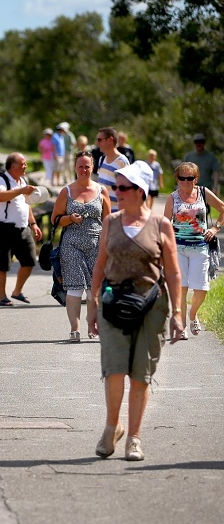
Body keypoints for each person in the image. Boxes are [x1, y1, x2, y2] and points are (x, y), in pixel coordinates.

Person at [88, 162, 183, 462]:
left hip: (151, 306)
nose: (117, 192)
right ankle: (111, 428)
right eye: (116, 187)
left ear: (140, 192)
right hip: (114, 303)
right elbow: (100, 266)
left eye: (123, 188)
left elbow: (174, 273)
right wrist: (92, 304)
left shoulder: (160, 225)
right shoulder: (111, 222)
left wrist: (178, 313)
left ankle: (134, 439)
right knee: (114, 369)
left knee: (140, 375)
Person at [51, 151, 111, 342]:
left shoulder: (102, 191)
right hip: (72, 244)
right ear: (75, 168)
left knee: (95, 290)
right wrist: (70, 218)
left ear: (93, 168)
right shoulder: (66, 191)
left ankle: (92, 323)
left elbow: (108, 219)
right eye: (80, 166)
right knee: (75, 288)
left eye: (87, 166)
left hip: (96, 244)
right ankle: (74, 329)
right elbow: (55, 219)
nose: (84, 170)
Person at [162, 161, 224, 338]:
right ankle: (181, 326)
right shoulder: (172, 198)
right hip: (178, 249)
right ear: (177, 178)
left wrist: (215, 228)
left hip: (200, 248)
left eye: (190, 178)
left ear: (196, 178)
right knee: (182, 287)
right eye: (182, 178)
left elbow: (222, 209)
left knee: (201, 288)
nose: (186, 181)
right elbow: (165, 224)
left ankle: (193, 314)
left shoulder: (203, 193)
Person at [0, 152, 43, 306]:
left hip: (23, 227)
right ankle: (2, 297)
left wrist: (33, 223)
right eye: (23, 164)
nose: (25, 166)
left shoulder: (23, 181)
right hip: (4, 228)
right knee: (3, 264)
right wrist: (21, 190)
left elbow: (27, 204)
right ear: (13, 166)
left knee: (29, 261)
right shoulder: (0, 180)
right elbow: (0, 196)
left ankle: (17, 291)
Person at [96, 127, 130, 212]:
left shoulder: (122, 162)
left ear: (110, 140)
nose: (97, 143)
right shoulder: (102, 159)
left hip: (116, 213)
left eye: (100, 140)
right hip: (101, 212)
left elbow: (128, 191)